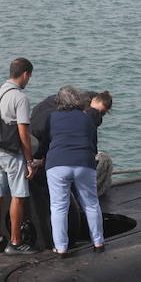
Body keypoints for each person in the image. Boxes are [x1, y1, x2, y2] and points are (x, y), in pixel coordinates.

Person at [41, 85, 108, 256]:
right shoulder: (87, 118)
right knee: (91, 204)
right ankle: (98, 243)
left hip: (57, 164)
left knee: (58, 207)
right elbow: (93, 143)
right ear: (78, 100)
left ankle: (61, 247)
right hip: (83, 163)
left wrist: (38, 159)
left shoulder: (52, 117)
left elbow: (45, 142)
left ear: (59, 102)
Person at [0, 57, 39, 256]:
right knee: (18, 196)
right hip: (12, 153)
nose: (28, 81)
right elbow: (23, 132)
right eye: (29, 77)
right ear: (25, 74)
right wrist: (29, 161)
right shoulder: (20, 98)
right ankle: (15, 243)